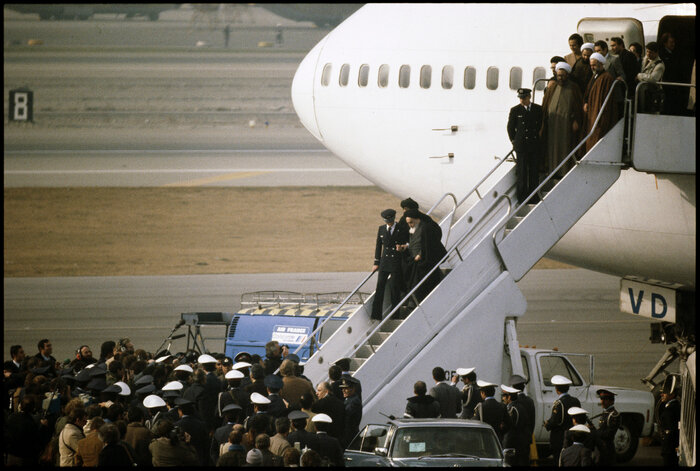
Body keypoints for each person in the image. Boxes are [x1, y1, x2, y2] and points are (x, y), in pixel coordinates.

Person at [540, 61, 584, 178]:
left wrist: (576, 121)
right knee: (551, 148)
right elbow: (545, 104)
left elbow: (578, 107)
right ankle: (552, 171)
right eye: (558, 75)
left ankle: (563, 172)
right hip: (552, 124)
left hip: (566, 126)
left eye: (562, 76)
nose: (560, 78)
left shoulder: (574, 88)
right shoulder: (553, 86)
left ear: (567, 75)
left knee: (564, 147)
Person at [401, 208, 446, 303]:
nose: (410, 225)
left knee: (422, 286)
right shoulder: (415, 228)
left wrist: (421, 254)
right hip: (419, 262)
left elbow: (428, 245)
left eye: (411, 222)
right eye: (408, 223)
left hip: (426, 262)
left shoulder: (426, 228)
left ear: (417, 219)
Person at [507, 87, 543, 204]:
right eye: (520, 98)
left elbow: (540, 125)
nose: (522, 100)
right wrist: (514, 141)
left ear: (529, 97)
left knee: (533, 172)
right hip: (521, 146)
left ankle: (534, 196)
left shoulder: (538, 109)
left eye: (524, 98)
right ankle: (521, 197)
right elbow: (510, 128)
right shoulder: (515, 110)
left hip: (534, 145)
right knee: (522, 172)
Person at [371, 208, 408, 320]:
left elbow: (406, 242)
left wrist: (402, 247)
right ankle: (376, 314)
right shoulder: (381, 229)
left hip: (396, 262)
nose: (388, 222)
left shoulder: (400, 228)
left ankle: (394, 315)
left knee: (394, 289)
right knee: (380, 288)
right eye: (387, 220)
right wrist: (376, 262)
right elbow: (378, 246)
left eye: (390, 220)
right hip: (384, 262)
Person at [583, 52, 618, 152]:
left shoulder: (606, 78)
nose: (592, 67)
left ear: (601, 64)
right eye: (591, 65)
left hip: (599, 114)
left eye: (594, 65)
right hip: (592, 113)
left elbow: (605, 100)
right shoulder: (595, 76)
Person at [543, 375, 581, 465]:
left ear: (556, 389)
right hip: (573, 436)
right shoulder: (575, 401)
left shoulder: (559, 403)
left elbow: (555, 421)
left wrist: (547, 424)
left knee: (559, 460)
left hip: (559, 438)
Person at [473, 380, 511, 445]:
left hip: (483, 440)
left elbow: (476, 422)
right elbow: (509, 424)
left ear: (483, 393)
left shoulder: (481, 406)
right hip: (497, 439)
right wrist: (500, 433)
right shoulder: (502, 406)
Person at [501, 384, 530, 466]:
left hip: (511, 442)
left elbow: (508, 426)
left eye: (504, 396)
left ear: (509, 397)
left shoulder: (511, 409)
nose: (503, 398)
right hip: (521, 442)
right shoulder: (521, 407)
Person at [636, 42, 666, 113]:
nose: (648, 54)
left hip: (651, 93)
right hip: (642, 91)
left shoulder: (660, 65)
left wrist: (639, 75)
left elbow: (653, 78)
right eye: (647, 51)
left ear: (657, 53)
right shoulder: (645, 59)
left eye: (651, 52)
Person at [658, 377, 680, 467]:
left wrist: (666, 448)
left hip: (669, 449)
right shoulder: (676, 406)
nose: (661, 395)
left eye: (664, 393)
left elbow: (670, 431)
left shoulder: (670, 410)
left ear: (672, 394)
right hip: (675, 448)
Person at [339, 376, 362, 448]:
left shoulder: (354, 402)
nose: (343, 390)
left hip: (350, 437)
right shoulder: (348, 399)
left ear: (353, 389)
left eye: (346, 388)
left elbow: (347, 419)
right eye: (342, 388)